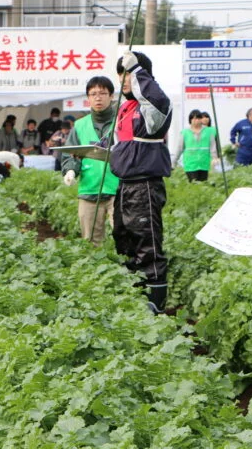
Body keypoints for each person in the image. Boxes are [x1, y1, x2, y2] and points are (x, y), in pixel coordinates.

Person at [110, 51, 173, 314]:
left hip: (144, 184)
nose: (124, 80)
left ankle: (156, 298)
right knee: (124, 237)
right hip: (124, 184)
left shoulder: (152, 107)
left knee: (146, 239)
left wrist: (137, 70)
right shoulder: (124, 109)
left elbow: (157, 101)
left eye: (129, 74)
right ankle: (134, 291)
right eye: (121, 75)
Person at [60, 76, 119, 246]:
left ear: (111, 96)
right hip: (89, 189)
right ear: (88, 98)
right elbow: (71, 154)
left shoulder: (120, 122)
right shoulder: (80, 126)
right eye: (93, 94)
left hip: (118, 189)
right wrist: (70, 170)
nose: (98, 98)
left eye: (102, 93)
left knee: (123, 238)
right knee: (91, 241)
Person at [172, 109, 219, 182]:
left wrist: (214, 158)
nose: (195, 120)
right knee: (194, 183)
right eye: (193, 118)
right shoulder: (185, 132)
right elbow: (179, 148)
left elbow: (212, 146)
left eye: (197, 118)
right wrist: (174, 161)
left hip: (204, 163)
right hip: (190, 163)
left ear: (201, 120)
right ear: (190, 120)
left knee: (203, 183)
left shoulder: (209, 131)